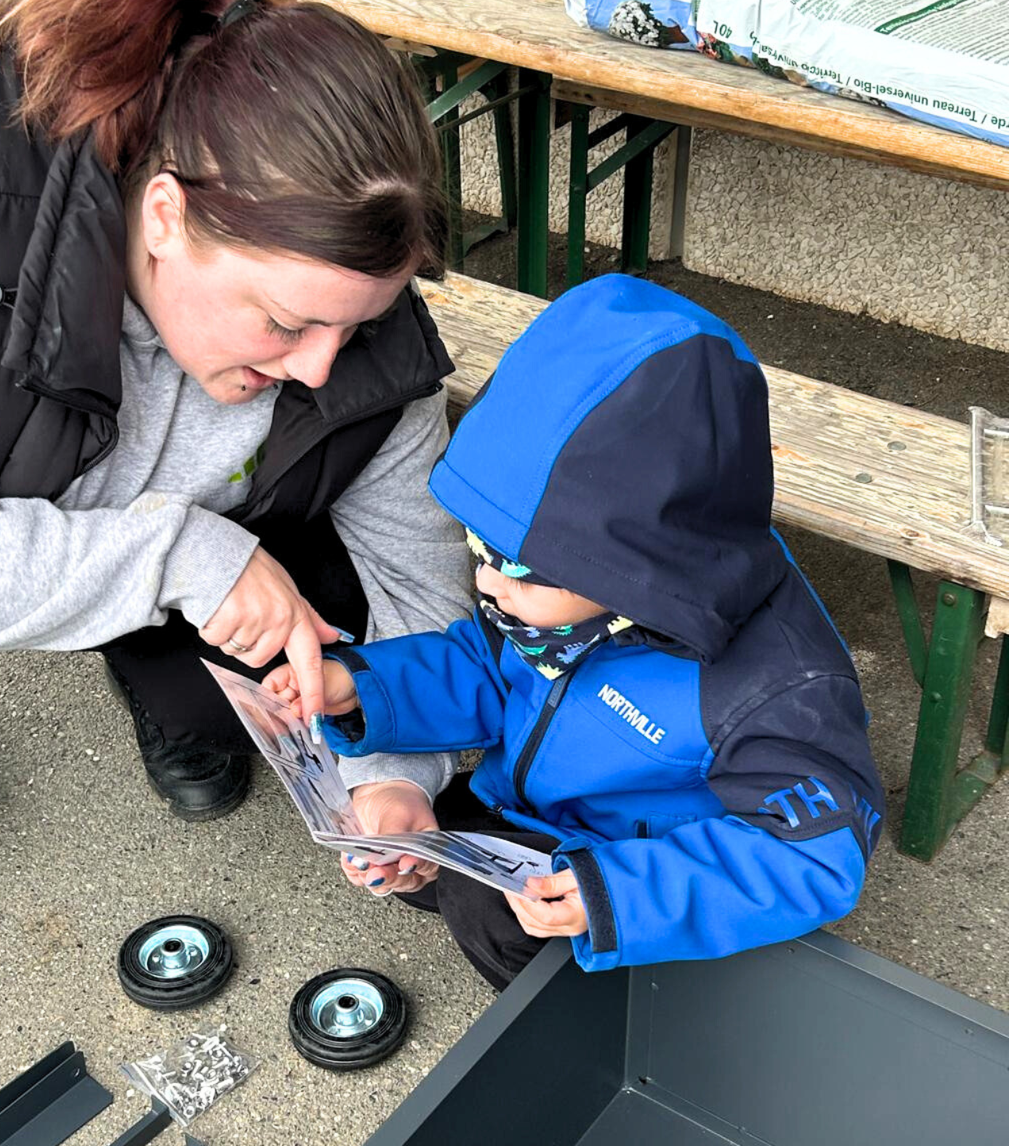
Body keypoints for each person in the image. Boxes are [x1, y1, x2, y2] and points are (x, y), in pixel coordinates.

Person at [0, 0, 471, 890]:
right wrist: (181, 558)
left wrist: (396, 770)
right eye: (284, 324)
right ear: (165, 215)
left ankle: (151, 665)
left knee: (266, 667)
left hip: (93, 486)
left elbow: (418, 572)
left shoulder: (347, 284)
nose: (323, 367)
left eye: (353, 329)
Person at [266, 275, 886, 989]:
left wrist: (616, 897)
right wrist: (365, 689)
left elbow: (815, 854)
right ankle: (459, 871)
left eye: (521, 574)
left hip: (631, 867)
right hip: (533, 806)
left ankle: (609, 997)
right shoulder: (565, 586)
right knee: (418, 829)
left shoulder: (779, 687)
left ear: (638, 569)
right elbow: (486, 664)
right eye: (479, 550)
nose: (490, 584)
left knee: (488, 909)